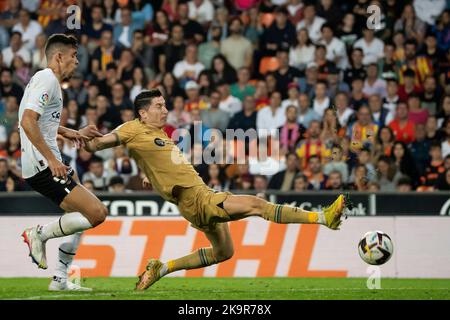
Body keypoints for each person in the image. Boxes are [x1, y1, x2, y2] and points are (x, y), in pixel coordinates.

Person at [82, 89, 349, 291]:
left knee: (224, 253)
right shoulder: (132, 128)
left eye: (164, 106)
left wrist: (150, 175)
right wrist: (84, 137)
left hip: (197, 198)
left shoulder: (159, 134)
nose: (165, 111)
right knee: (257, 205)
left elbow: (152, 159)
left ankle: (162, 268)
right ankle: (323, 218)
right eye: (159, 106)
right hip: (197, 199)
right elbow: (99, 145)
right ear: (142, 112)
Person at [18, 34, 108, 292]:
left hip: (46, 161)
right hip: (43, 165)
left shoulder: (47, 81)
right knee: (97, 213)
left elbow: (43, 123)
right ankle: (39, 234)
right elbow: (27, 121)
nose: (76, 62)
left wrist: (73, 133)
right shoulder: (47, 79)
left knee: (80, 213)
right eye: (73, 56)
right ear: (59, 57)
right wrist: (50, 159)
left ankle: (59, 278)